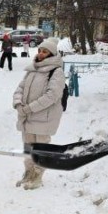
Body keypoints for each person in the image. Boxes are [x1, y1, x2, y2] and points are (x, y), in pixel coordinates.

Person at [13, 36, 65, 191]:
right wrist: (18, 103)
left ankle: (37, 176)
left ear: (51, 54)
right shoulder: (32, 69)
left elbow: (52, 95)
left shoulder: (56, 71)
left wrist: (29, 108)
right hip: (27, 116)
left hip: (44, 118)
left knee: (41, 148)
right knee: (28, 147)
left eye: (45, 51)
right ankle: (28, 173)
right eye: (40, 50)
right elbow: (20, 88)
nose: (41, 53)